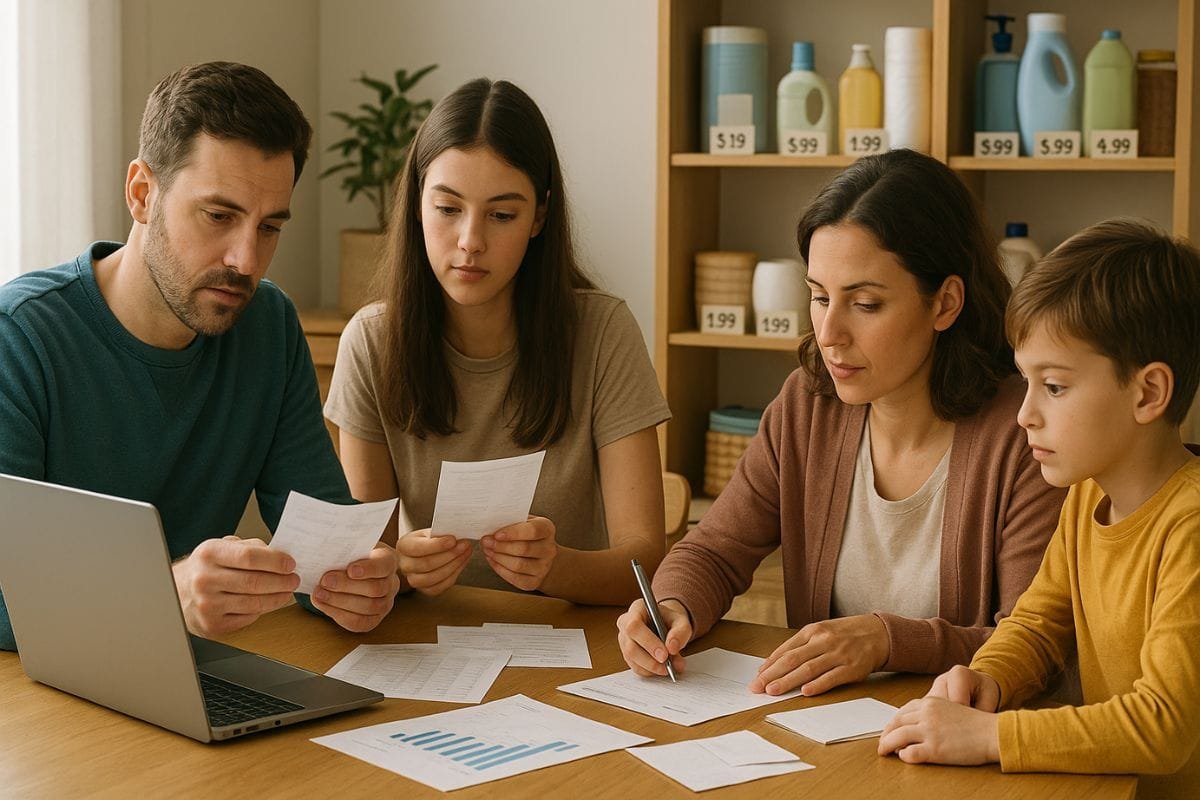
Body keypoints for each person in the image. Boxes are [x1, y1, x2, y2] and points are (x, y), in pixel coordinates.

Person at [617, 149, 1066, 696]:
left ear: (945, 303)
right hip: (820, 727)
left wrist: (886, 641)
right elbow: (714, 550)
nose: (828, 333)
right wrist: (672, 605)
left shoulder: (1028, 432)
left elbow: (1029, 645)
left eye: (866, 303)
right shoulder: (808, 406)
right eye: (819, 296)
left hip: (956, 734)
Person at [0, 61, 400, 652]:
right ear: (142, 194)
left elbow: (321, 546)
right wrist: (165, 594)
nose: (246, 260)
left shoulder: (268, 325)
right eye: (219, 216)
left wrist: (356, 583)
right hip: (36, 690)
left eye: (270, 227)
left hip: (185, 671)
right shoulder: (19, 338)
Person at [878, 219, 1200, 798]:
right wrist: (987, 678)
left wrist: (990, 736)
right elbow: (1037, 624)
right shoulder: (1088, 495)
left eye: (1053, 387)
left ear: (1149, 392)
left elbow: (1163, 727)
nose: (1025, 414)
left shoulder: (1191, 528)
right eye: (1025, 381)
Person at [325, 78, 670, 604]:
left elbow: (645, 562)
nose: (470, 242)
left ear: (539, 217)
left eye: (502, 215)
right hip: (428, 638)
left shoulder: (603, 332)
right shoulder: (371, 342)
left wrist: (557, 568)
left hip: (571, 635)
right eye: (447, 209)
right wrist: (400, 568)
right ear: (416, 204)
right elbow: (365, 559)